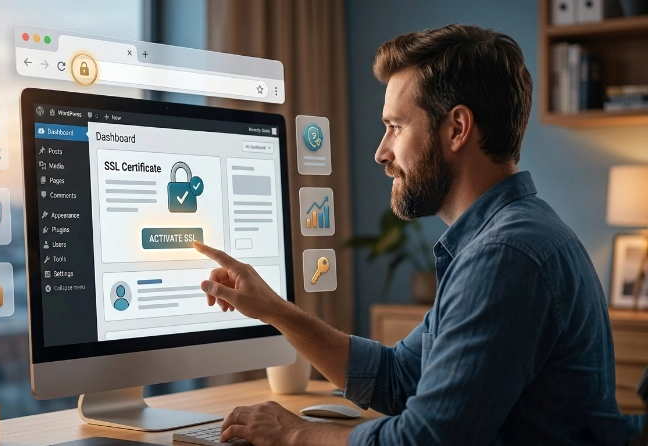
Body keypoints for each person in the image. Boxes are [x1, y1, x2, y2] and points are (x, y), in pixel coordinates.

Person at [194, 23, 645, 445]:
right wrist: (275, 310)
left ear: (457, 128)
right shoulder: (502, 238)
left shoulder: (507, 255)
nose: (381, 153)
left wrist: (296, 433)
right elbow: (398, 377)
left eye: (395, 127)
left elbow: (425, 439)